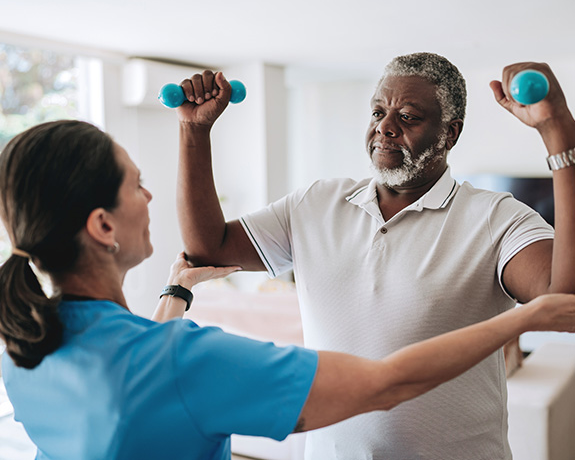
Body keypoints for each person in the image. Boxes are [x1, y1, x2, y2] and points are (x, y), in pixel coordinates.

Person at [0, 123, 574, 460]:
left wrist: (177, 289)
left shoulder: (27, 345)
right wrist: (519, 322)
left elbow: (147, 376)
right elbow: (387, 384)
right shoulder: (180, 361)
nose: (150, 199)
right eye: (137, 186)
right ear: (102, 226)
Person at [175, 54, 575, 459]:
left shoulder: (494, 217)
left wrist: (558, 131)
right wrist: (194, 130)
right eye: (379, 111)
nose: (385, 127)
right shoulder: (316, 203)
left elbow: (564, 300)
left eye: (408, 116)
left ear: (449, 134)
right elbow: (210, 248)